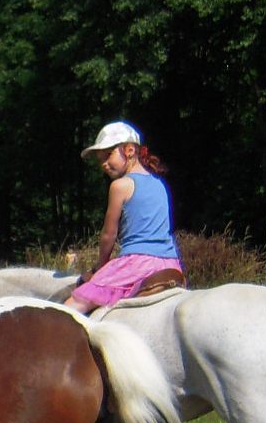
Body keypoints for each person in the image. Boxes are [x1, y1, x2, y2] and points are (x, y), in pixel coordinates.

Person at [64, 121, 183, 314]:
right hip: (170, 263)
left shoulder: (120, 186)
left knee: (71, 306)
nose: (104, 164)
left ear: (129, 150)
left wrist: (100, 267)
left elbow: (108, 235)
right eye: (100, 160)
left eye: (108, 155)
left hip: (136, 264)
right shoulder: (159, 184)